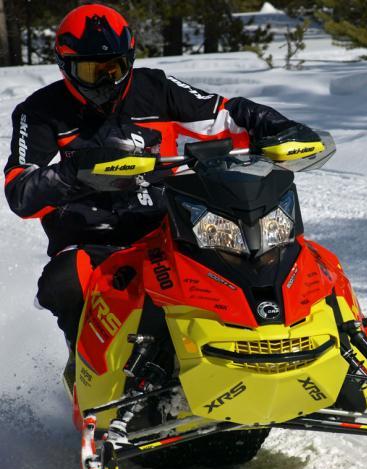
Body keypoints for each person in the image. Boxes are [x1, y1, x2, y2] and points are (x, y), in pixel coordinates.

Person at [3, 4, 317, 357]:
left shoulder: (155, 87)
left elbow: (224, 114)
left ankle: (340, 346)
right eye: (92, 71)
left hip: (171, 223)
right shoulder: (40, 111)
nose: (107, 80)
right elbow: (20, 191)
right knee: (66, 279)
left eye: (115, 68)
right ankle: (87, 378)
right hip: (92, 236)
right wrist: (74, 172)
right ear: (66, 66)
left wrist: (274, 125)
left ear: (130, 59)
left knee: (283, 250)